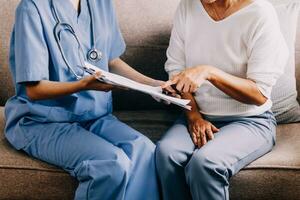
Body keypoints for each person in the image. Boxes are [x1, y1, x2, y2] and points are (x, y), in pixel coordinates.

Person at [5, 0, 161, 199]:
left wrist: (152, 85)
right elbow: (34, 90)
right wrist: (83, 85)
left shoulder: (101, 3)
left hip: (93, 115)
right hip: (42, 120)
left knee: (145, 150)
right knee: (110, 164)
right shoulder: (32, 8)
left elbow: (111, 61)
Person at [155, 0, 289, 199]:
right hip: (196, 113)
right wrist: (194, 117)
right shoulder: (188, 6)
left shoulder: (260, 13)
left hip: (250, 120)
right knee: (167, 154)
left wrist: (210, 72)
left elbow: (259, 94)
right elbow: (176, 69)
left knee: (205, 163)